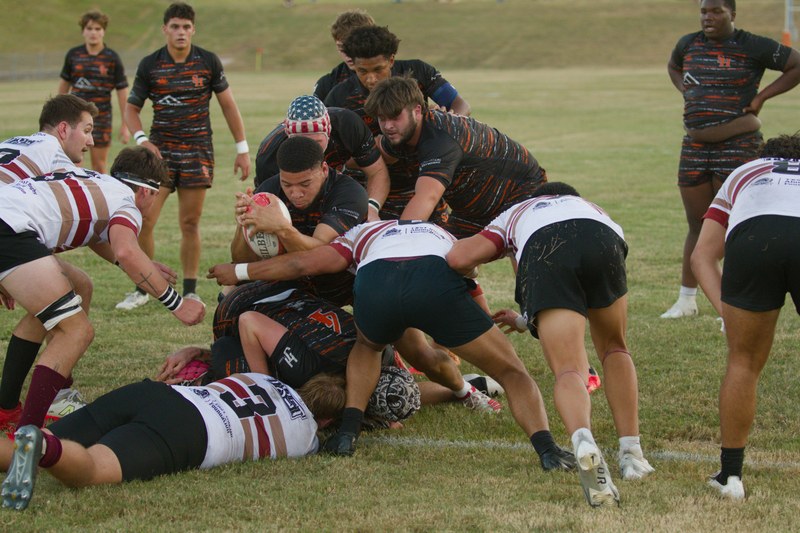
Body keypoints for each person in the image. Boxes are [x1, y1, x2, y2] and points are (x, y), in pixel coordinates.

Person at [207, 219, 576, 471]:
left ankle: (348, 432)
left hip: (377, 283)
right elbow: (468, 272)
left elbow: (305, 262)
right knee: (511, 371)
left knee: (366, 348)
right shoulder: (438, 231)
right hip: (433, 279)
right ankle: (546, 449)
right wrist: (479, 324)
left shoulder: (361, 235)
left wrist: (241, 271)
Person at [224, 137, 499, 412]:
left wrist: (282, 229)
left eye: (304, 185)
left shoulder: (348, 193)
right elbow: (241, 257)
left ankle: (465, 391)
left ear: (323, 170)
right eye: (287, 185)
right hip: (303, 294)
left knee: (420, 354)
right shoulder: (270, 193)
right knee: (313, 373)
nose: (294, 193)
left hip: (361, 287)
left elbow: (319, 255)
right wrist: (244, 225)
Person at [446, 182, 655, 507]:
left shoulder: (517, 213)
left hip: (544, 246)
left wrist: (494, 256)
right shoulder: (594, 208)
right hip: (603, 238)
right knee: (615, 348)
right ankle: (632, 455)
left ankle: (583, 440)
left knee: (569, 369)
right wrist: (525, 318)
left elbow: (459, 257)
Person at [0, 147, 205, 435]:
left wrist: (140, 263)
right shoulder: (127, 203)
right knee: (77, 331)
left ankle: (8, 408)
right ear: (148, 192)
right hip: (12, 230)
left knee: (77, 286)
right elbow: (125, 249)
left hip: (10, 222)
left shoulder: (97, 182)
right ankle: (27, 434)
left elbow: (101, 237)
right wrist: (177, 304)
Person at [0, 372, 336, 511]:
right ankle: (45, 448)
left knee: (17, 450)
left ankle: (36, 442)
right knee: (91, 470)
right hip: (191, 430)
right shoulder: (308, 435)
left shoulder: (264, 378)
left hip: (158, 393)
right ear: (326, 420)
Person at [662, 0, 800, 319]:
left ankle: (735, 309)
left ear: (732, 15)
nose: (707, 17)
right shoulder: (688, 43)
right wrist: (685, 88)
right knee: (697, 224)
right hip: (695, 146)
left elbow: (796, 65)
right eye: (703, 11)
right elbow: (673, 65)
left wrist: (761, 97)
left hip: (738, 144)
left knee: (738, 226)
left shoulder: (752, 45)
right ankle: (686, 300)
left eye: (715, 12)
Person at [118, 1, 251, 310]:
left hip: (197, 152)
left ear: (193, 30)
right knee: (145, 219)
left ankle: (190, 290)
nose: (180, 32)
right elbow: (131, 109)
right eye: (175, 26)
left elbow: (228, 105)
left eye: (186, 27)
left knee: (190, 223)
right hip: (159, 156)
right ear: (165, 29)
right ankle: (143, 286)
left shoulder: (207, 61)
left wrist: (242, 149)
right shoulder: (151, 64)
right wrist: (141, 139)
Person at [690, 133, 800, 500]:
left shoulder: (745, 172)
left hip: (756, 236)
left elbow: (703, 256)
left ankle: (731, 477)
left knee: (744, 362)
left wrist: (727, 311)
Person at [365, 76, 546, 238]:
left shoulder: (441, 137)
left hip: (519, 188)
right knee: (452, 258)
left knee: (521, 250)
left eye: (395, 117)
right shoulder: (402, 133)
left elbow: (427, 197)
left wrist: (395, 242)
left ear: (417, 111)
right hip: (471, 207)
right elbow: (368, 154)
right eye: (382, 118)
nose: (388, 126)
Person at [253, 95, 390, 223]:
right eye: (301, 142)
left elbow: (377, 171)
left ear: (329, 131)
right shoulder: (269, 157)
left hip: (337, 190)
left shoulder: (347, 125)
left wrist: (371, 208)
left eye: (317, 142)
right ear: (288, 136)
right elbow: (267, 207)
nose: (310, 151)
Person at [324, 25, 471, 137]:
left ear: (391, 60)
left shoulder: (417, 71)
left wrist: (449, 122)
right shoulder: (339, 97)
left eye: (378, 69)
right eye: (362, 71)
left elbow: (461, 105)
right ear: (354, 65)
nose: (371, 79)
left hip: (422, 161)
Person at [58, 9, 129, 174]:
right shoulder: (74, 55)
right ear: (83, 31)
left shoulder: (112, 58)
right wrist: (58, 117)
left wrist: (125, 125)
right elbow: (63, 89)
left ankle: (97, 199)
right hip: (75, 119)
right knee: (73, 165)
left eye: (97, 29)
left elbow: (122, 93)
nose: (93, 33)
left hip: (101, 119)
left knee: (99, 166)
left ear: (104, 31)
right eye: (89, 28)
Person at [313, 9, 376, 102]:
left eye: (353, 46)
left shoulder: (396, 76)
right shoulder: (327, 84)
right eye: (341, 47)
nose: (347, 54)